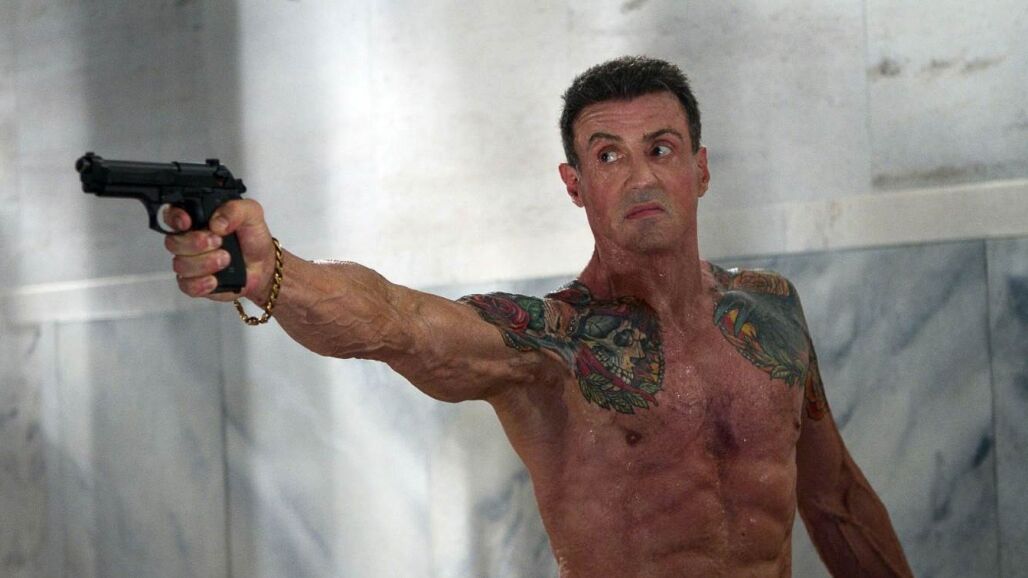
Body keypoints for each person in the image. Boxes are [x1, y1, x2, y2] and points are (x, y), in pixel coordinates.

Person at [164, 56, 913, 577]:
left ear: (701, 167)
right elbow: (398, 321)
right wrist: (272, 273)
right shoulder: (550, 343)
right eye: (608, 156)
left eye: (661, 148)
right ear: (574, 184)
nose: (642, 176)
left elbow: (838, 500)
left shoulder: (771, 312)